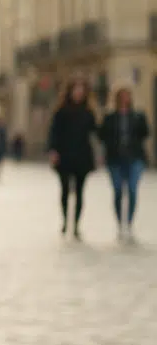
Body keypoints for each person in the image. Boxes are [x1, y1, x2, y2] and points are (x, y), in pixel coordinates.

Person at [47, 78, 99, 239]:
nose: (78, 93)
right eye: (76, 89)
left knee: (80, 192)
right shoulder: (61, 111)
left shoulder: (88, 112)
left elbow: (96, 131)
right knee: (64, 190)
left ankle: (76, 225)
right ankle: (65, 221)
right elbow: (53, 132)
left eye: (81, 90)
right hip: (64, 156)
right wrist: (53, 151)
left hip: (82, 156)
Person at [98, 86, 150, 240]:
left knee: (133, 190)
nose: (125, 99)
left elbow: (145, 133)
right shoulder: (110, 117)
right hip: (115, 159)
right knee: (118, 191)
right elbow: (102, 135)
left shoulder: (138, 116)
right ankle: (120, 223)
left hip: (135, 158)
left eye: (127, 96)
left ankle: (129, 223)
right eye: (122, 96)